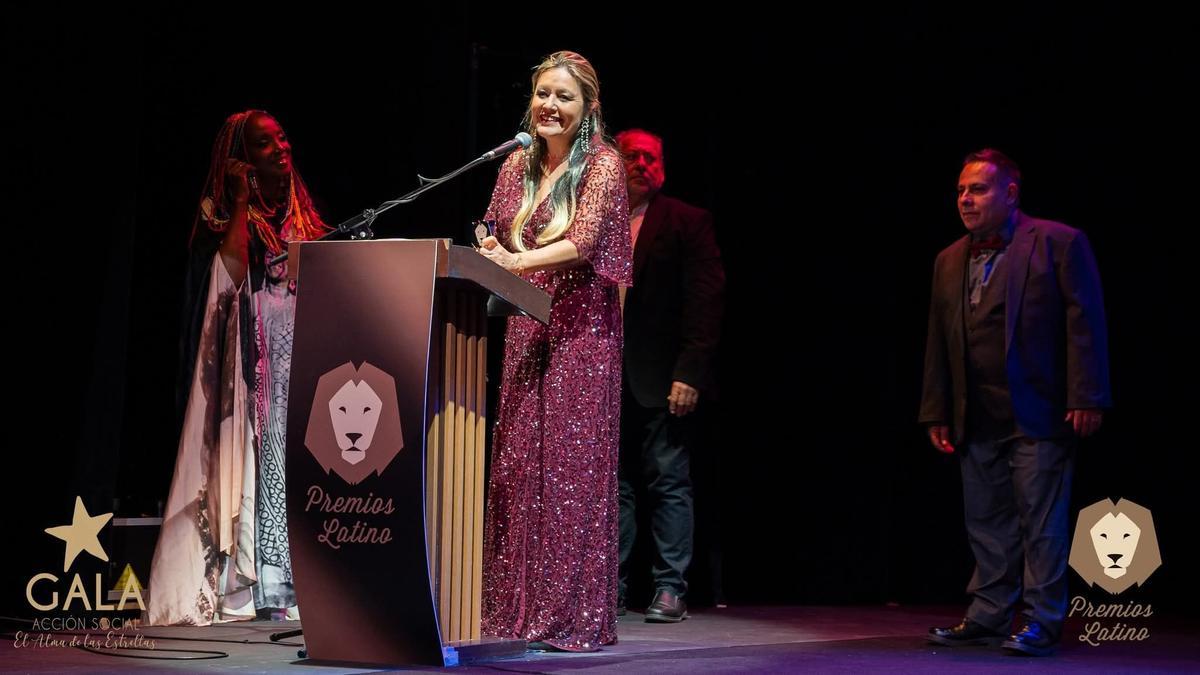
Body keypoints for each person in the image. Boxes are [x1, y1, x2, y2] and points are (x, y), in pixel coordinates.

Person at [920, 149, 1111, 656]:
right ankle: (988, 614)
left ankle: (1042, 619)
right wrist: (936, 409)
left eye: (977, 189)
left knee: (1039, 522)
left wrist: (1086, 395)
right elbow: (940, 340)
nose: (965, 199)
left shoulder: (1059, 242)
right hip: (975, 413)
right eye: (960, 190)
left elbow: (1083, 325)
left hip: (1040, 408)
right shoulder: (948, 259)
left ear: (1009, 193)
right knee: (985, 520)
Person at [476, 50, 632, 652]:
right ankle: (510, 614)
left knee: (567, 472)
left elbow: (584, 241)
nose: (550, 106)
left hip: (581, 335)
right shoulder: (517, 162)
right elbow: (491, 226)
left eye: (564, 97)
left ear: (588, 108)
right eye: (543, 94)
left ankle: (566, 617)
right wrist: (490, 247)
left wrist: (516, 260)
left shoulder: (604, 165)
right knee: (518, 470)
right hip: (524, 326)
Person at [148, 110, 329, 625]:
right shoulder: (219, 219)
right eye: (264, 144)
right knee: (247, 465)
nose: (281, 149)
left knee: (289, 465)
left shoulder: (304, 220)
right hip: (243, 376)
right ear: (242, 161)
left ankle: (289, 581)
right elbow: (226, 280)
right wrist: (243, 200)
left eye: (283, 137)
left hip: (295, 368)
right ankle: (240, 584)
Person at [614, 129, 724, 622]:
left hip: (662, 377)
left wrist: (690, 372)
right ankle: (607, 585)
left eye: (651, 157)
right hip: (602, 375)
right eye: (631, 156)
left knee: (667, 480)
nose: (641, 164)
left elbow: (705, 303)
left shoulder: (686, 221)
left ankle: (670, 588)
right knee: (612, 486)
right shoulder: (595, 222)